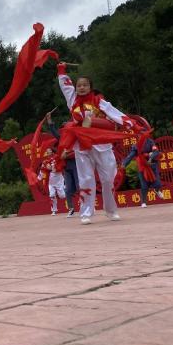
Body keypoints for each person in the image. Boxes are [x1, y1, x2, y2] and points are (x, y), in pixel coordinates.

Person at [57, 63, 134, 224]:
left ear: (91, 87)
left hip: (102, 144)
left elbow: (114, 113)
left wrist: (130, 124)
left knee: (108, 179)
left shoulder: (99, 101)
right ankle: (86, 213)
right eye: (79, 85)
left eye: (85, 85)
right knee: (85, 179)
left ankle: (111, 210)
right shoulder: (73, 101)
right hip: (82, 146)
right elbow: (65, 87)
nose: (81, 87)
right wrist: (61, 71)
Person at [46, 113, 79, 218]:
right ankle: (71, 209)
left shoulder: (76, 138)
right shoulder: (62, 139)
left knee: (79, 186)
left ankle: (87, 206)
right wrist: (49, 120)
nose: (65, 130)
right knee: (68, 189)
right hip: (67, 166)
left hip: (76, 164)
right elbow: (54, 132)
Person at [121, 134, 162, 208]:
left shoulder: (150, 142)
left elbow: (156, 151)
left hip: (152, 165)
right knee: (144, 185)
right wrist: (124, 163)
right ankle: (143, 202)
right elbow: (131, 155)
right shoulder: (136, 145)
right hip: (142, 166)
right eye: (139, 135)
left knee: (158, 183)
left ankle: (157, 190)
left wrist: (151, 156)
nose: (141, 136)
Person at [38, 147, 65, 215]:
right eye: (46, 151)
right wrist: (38, 178)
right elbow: (42, 170)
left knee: (62, 196)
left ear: (52, 152)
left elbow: (62, 164)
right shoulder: (45, 161)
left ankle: (66, 188)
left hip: (59, 180)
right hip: (51, 181)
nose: (47, 152)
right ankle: (54, 210)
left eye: (49, 151)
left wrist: (55, 168)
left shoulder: (57, 157)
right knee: (52, 195)